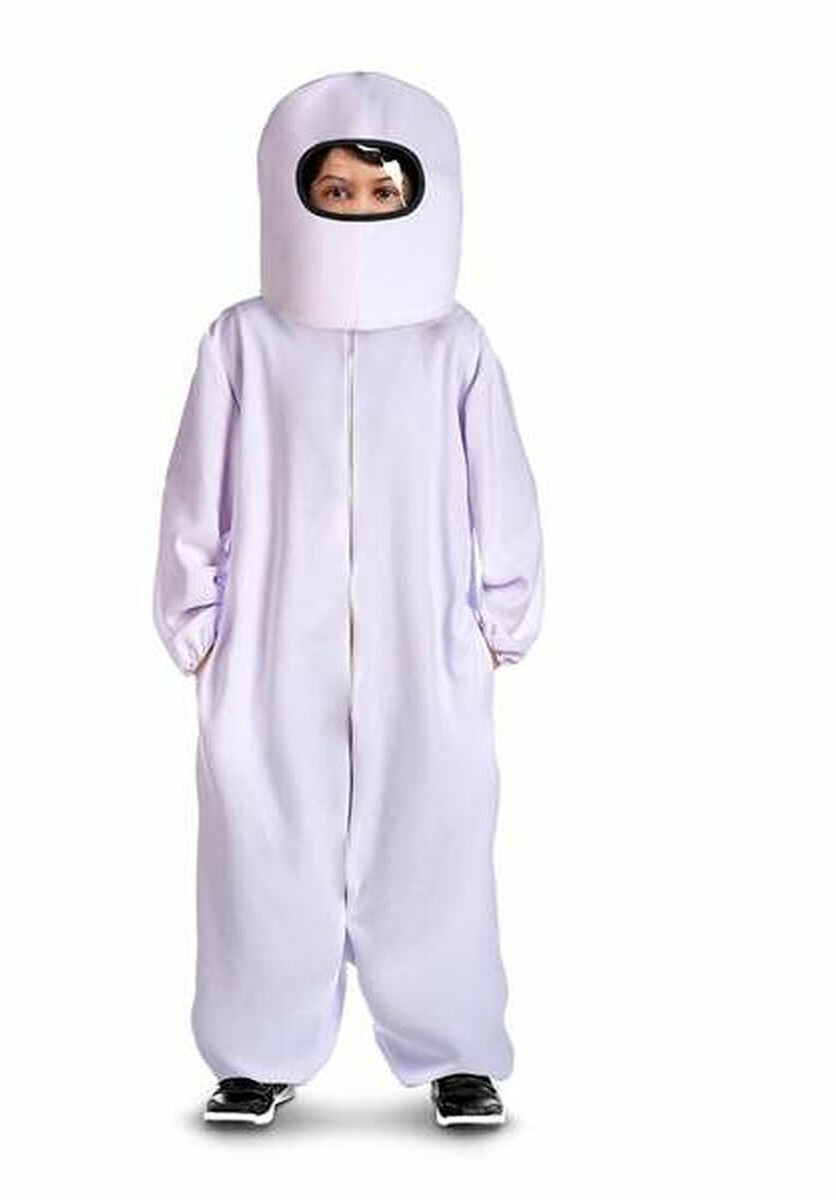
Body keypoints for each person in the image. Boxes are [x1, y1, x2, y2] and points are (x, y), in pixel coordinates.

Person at [153, 70, 544, 1129]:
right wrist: (195, 618)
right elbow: (197, 485)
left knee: (439, 827)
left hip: (429, 632)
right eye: (335, 191)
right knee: (261, 833)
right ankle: (254, 1053)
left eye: (380, 194)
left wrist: (502, 614)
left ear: (424, 196)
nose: (358, 211)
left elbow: (501, 484)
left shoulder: (454, 343)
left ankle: (457, 1050)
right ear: (295, 197)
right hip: (269, 635)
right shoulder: (245, 339)